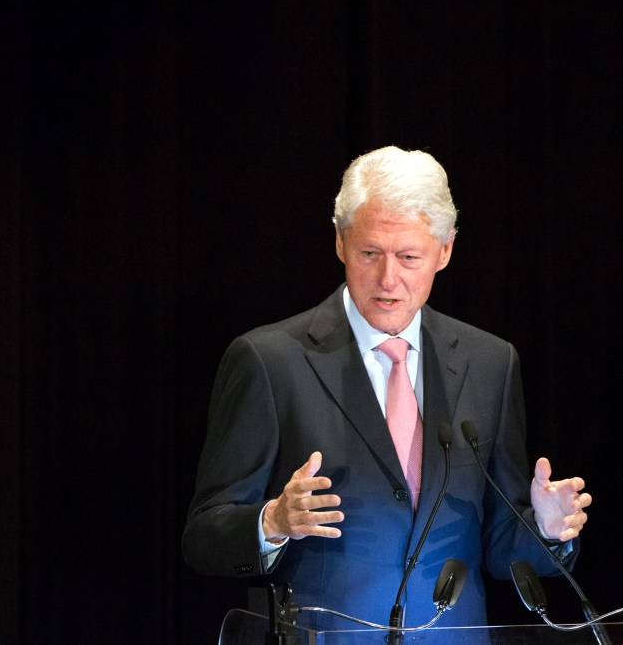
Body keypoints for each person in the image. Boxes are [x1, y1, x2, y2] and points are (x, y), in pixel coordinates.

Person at [182, 145, 592, 632]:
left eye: (409, 256)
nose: (387, 279)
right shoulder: (270, 362)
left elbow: (501, 547)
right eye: (370, 253)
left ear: (445, 251)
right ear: (339, 242)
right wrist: (272, 521)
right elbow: (203, 536)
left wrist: (546, 529)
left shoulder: (490, 363)